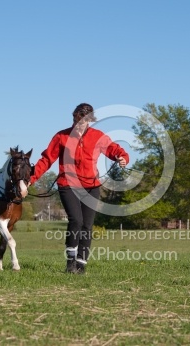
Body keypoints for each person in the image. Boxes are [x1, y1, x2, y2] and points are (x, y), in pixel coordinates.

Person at [29, 103, 129, 274]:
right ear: (73, 117)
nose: (79, 124)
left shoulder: (98, 137)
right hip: (68, 184)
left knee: (87, 226)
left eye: (84, 122)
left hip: (91, 186)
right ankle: (70, 263)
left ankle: (81, 265)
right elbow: (46, 160)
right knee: (76, 220)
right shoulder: (62, 136)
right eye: (77, 120)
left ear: (90, 121)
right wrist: (31, 178)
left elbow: (114, 149)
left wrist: (122, 157)